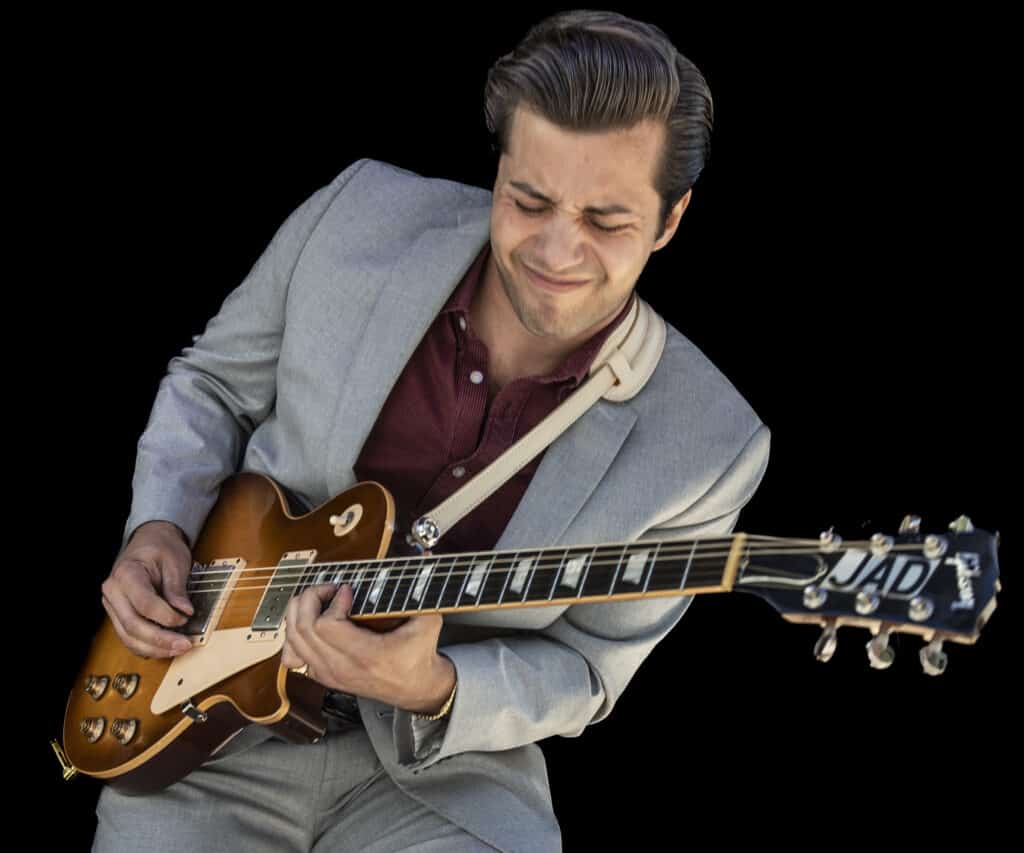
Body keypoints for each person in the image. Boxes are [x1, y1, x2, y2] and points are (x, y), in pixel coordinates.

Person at [92, 10, 771, 852]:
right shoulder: (355, 214)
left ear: (671, 221)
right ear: (500, 170)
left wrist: (436, 686)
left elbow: (592, 670)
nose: (558, 251)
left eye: (607, 221)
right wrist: (157, 524)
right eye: (529, 199)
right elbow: (211, 383)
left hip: (443, 779)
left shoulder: (711, 445)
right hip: (204, 727)